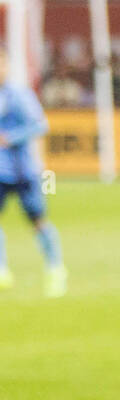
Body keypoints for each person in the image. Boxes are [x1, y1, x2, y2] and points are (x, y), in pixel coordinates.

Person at [0, 48, 67, 297]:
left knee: (38, 220)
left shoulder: (19, 95)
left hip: (23, 170)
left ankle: (55, 268)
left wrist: (11, 138)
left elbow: (40, 125)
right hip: (0, 171)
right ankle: (2, 270)